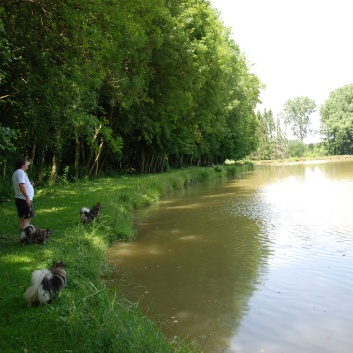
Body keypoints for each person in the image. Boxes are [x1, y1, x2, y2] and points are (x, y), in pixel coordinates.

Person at [12, 157, 35, 233]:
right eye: (26, 162)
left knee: (22, 219)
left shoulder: (16, 173)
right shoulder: (21, 173)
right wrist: (27, 198)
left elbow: (22, 185)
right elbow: (21, 186)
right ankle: (26, 238)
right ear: (23, 164)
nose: (28, 164)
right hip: (24, 199)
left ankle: (22, 237)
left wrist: (30, 185)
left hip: (19, 199)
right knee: (27, 219)